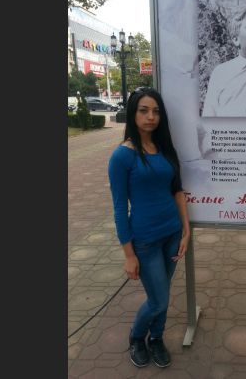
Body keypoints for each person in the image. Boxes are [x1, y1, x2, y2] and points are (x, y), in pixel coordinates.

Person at [108, 87, 190, 369]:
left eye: (155, 111)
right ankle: (136, 337)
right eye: (144, 111)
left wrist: (186, 231)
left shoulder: (165, 148)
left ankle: (156, 338)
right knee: (158, 300)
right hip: (145, 241)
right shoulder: (122, 156)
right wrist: (129, 255)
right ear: (133, 114)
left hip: (172, 234)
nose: (150, 117)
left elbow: (177, 191)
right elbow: (119, 209)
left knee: (162, 295)